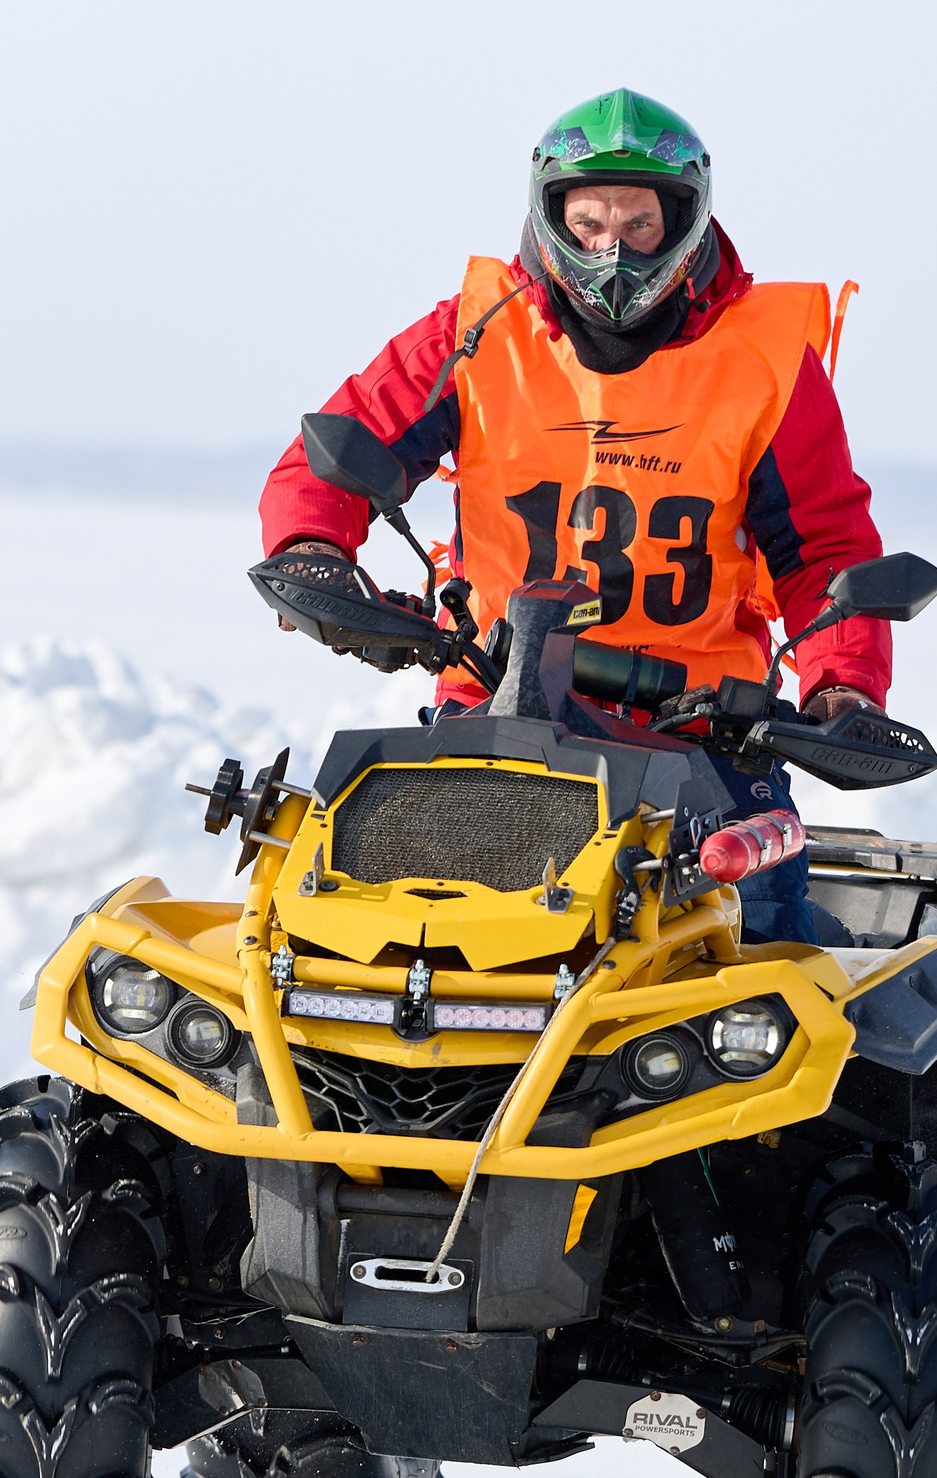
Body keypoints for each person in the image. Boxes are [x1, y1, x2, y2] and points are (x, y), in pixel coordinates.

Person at [258, 89, 889, 945]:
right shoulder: (476, 332)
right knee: (389, 950)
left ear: (687, 222)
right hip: (496, 701)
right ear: (550, 216)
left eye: (639, 223)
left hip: (703, 729)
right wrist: (311, 551)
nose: (612, 248)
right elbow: (337, 449)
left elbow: (824, 546)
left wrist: (840, 681)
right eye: (589, 221)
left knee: (770, 977)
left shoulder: (769, 362)